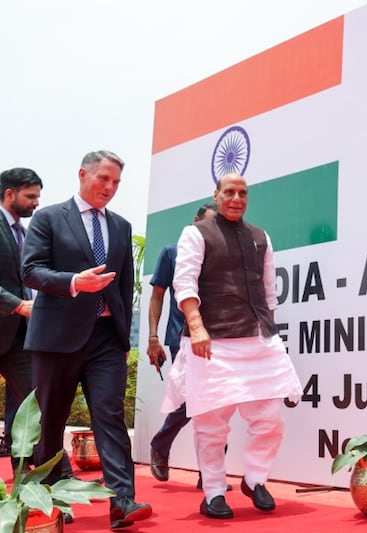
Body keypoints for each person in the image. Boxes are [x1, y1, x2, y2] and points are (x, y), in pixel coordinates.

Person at [22, 150, 152, 529]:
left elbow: (124, 285)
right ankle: (51, 500)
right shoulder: (49, 218)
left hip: (105, 339)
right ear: (83, 174)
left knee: (109, 416)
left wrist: (123, 338)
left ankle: (121, 501)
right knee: (50, 422)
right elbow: (31, 270)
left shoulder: (121, 226)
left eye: (116, 183)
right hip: (56, 339)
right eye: (103, 179)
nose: (110, 188)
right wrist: (75, 282)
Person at [162, 173, 302, 519]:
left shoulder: (260, 236)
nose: (236, 198)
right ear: (217, 195)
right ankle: (213, 492)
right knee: (211, 425)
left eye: (242, 193)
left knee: (271, 419)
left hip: (258, 339)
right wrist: (197, 327)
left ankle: (255, 479)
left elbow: (268, 292)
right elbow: (184, 283)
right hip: (212, 342)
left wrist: (268, 333)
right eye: (229, 192)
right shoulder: (195, 234)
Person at [146, 202, 227, 489]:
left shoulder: (223, 256)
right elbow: (157, 297)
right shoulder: (172, 252)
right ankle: (161, 443)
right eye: (209, 224)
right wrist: (153, 338)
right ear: (195, 221)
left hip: (220, 339)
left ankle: (210, 475)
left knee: (218, 405)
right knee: (191, 402)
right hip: (182, 338)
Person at [0, 168, 42, 463]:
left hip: (19, 336)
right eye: (30, 196)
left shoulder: (24, 234)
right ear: (9, 194)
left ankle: (52, 474)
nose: (36, 203)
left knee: (34, 403)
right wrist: (17, 304)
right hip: (13, 316)